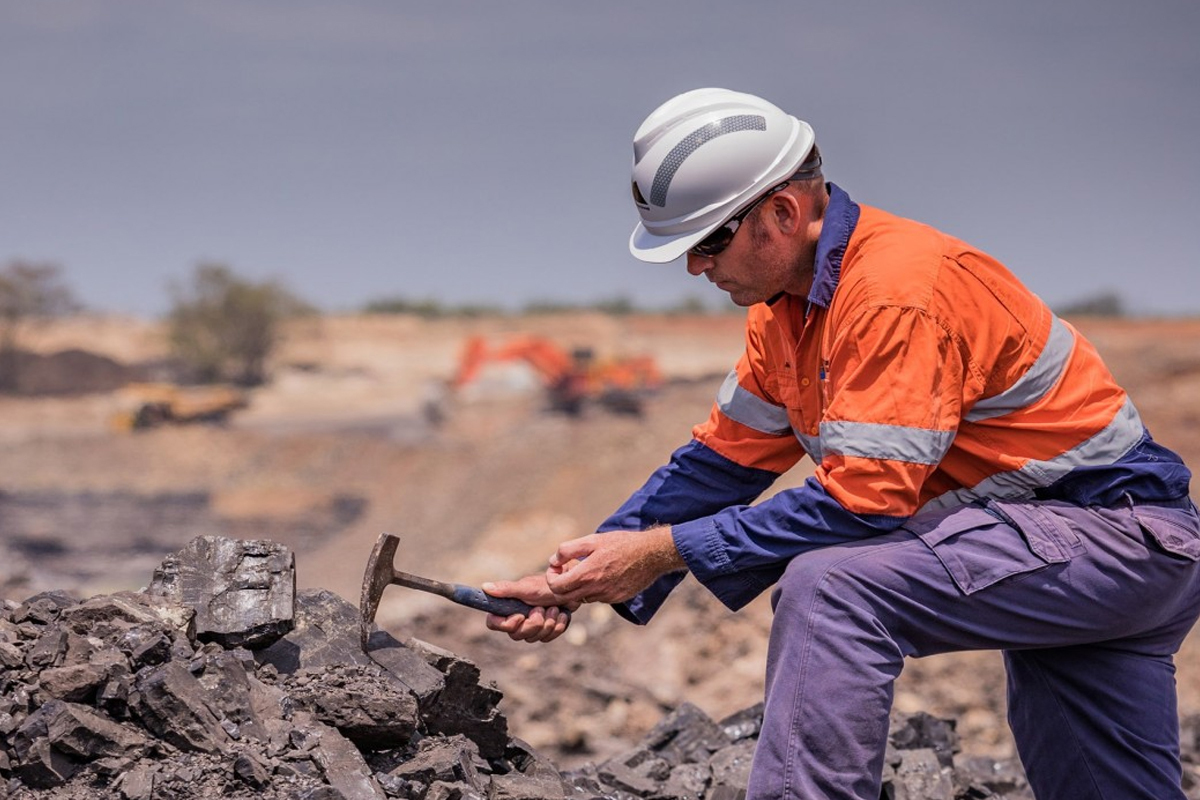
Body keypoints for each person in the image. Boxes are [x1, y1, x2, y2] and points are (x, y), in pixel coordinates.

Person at [481, 87, 1200, 800]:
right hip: (1079, 558)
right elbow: (719, 464)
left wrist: (659, 553)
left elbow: (868, 501)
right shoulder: (785, 315)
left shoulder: (893, 293)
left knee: (833, 587)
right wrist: (584, 574)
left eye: (705, 242)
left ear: (783, 213)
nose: (696, 268)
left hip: (1119, 540)